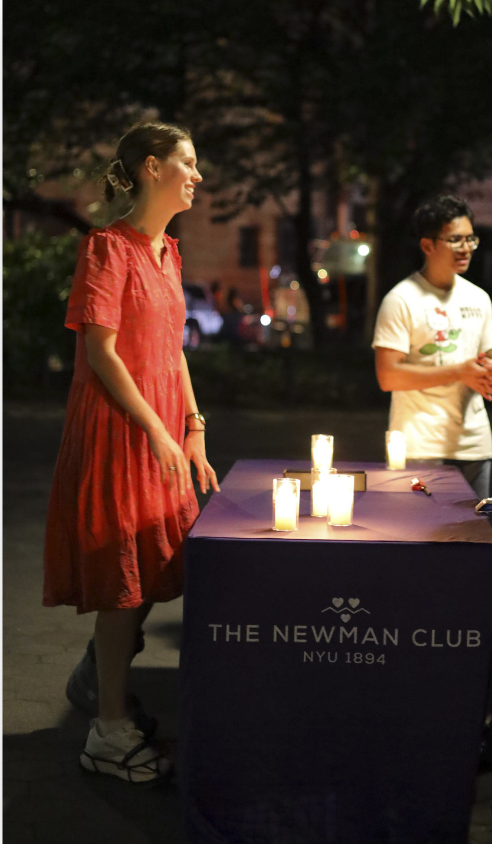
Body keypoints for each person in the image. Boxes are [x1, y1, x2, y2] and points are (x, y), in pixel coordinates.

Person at [43, 121, 220, 784]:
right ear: (152, 167)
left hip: (162, 427)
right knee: (124, 577)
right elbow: (100, 352)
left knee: (152, 564)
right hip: (121, 430)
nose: (198, 175)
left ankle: (99, 676)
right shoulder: (106, 247)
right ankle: (107, 732)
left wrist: (192, 422)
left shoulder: (168, 251)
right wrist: (154, 427)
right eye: (189, 163)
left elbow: (171, 347)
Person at [372, 195, 492, 499]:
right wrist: (459, 371)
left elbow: (489, 365)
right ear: (428, 245)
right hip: (420, 444)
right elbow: (388, 376)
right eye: (455, 239)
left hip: (474, 443)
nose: (466, 247)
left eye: (471, 238)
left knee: (472, 537)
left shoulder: (479, 298)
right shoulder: (401, 299)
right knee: (421, 536)